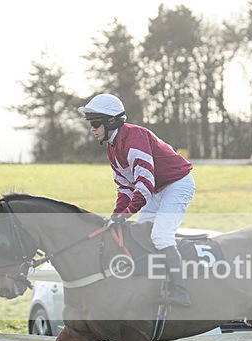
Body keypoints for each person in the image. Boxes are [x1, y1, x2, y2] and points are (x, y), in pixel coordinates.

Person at [78, 93, 195, 307]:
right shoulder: (112, 148)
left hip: (178, 184)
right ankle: (153, 285)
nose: (92, 129)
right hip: (158, 189)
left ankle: (181, 292)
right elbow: (125, 187)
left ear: (111, 122)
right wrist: (116, 215)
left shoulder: (134, 138)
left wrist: (123, 216)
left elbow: (144, 184)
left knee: (160, 236)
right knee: (141, 234)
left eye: (95, 123)